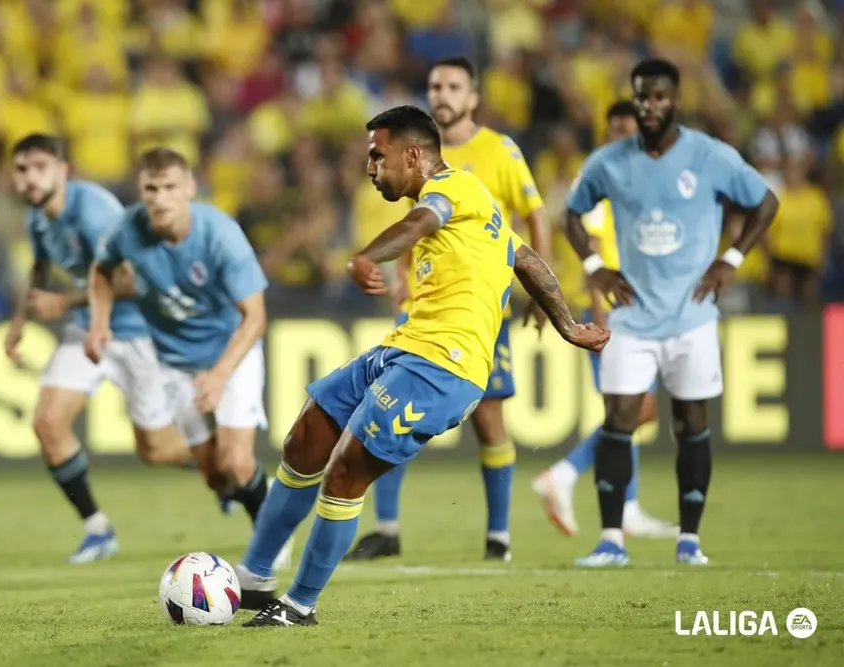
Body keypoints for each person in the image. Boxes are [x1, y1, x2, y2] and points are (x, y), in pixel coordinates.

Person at [234, 106, 610, 627]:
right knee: (306, 435)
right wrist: (566, 324)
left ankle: (299, 606)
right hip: (405, 348)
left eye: (377, 156)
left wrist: (366, 257)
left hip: (444, 368)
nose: (370, 168)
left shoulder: (451, 190)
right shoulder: (475, 205)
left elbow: (420, 222)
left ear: (413, 155)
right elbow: (525, 259)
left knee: (345, 470)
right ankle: (253, 577)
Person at [564, 60, 778, 567]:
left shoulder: (708, 155)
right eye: (642, 96)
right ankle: (611, 541)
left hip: (692, 316)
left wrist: (731, 259)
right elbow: (570, 214)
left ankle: (690, 542)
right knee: (618, 420)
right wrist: (596, 267)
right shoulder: (609, 161)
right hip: (632, 317)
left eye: (659, 97)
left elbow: (766, 202)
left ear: (675, 99)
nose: (650, 106)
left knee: (690, 424)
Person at [346, 57, 552, 563]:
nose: (442, 93)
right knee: (387, 405)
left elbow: (534, 216)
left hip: (480, 305)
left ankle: (498, 536)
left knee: (489, 417)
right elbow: (413, 224)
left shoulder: (499, 150)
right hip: (424, 300)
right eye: (435, 85)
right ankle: (387, 528)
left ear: (473, 96)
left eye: (454, 86)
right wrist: (400, 277)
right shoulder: (411, 149)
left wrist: (540, 289)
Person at [86, 147, 292, 570]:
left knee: (237, 461)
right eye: (151, 189)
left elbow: (255, 318)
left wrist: (218, 375)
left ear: (190, 188)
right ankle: (249, 489)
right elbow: (102, 270)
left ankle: (270, 537)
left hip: (231, 352)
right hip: (175, 361)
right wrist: (99, 321)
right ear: (141, 191)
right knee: (214, 474)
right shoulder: (128, 229)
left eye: (169, 187)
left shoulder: (221, 236)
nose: (160, 198)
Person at [5, 134, 199, 564]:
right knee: (48, 422)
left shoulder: (93, 211)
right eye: (21, 169)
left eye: (39, 167)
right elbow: (40, 266)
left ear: (63, 170)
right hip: (88, 329)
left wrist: (64, 302)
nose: (30, 178)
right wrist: (19, 324)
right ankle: (97, 530)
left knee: (157, 450)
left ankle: (233, 473)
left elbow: (131, 279)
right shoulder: (38, 216)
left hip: (138, 332)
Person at [532, 101, 677, 539]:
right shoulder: (600, 178)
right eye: (617, 130)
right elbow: (591, 250)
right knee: (635, 408)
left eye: (631, 130)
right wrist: (600, 320)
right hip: (608, 312)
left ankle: (626, 507)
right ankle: (564, 474)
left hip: (635, 309)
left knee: (630, 410)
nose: (625, 138)